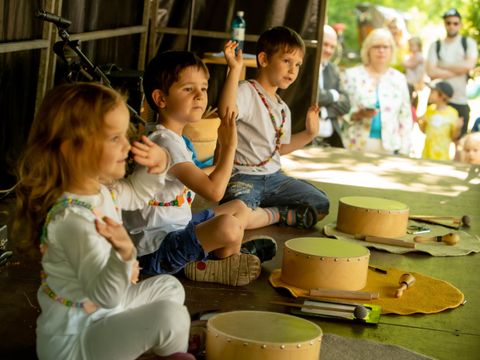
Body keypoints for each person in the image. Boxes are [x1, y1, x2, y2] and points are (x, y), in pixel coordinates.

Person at [14, 83, 194, 360]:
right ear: (73, 149)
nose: (127, 145)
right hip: (77, 342)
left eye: (125, 135)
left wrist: (158, 164)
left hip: (105, 312)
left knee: (169, 288)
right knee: (170, 318)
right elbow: (105, 295)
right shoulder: (73, 221)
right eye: (114, 138)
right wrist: (125, 253)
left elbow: (134, 194)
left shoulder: (99, 189)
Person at [123, 50, 275, 287]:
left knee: (239, 207)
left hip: (178, 228)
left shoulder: (176, 139)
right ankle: (217, 262)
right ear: (161, 99)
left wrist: (218, 164)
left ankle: (215, 259)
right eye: (188, 89)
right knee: (229, 226)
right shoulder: (165, 143)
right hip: (155, 250)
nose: (199, 96)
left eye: (203, 88)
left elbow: (193, 176)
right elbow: (214, 192)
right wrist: (229, 145)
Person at [218, 26, 329, 230]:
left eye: (297, 64)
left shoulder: (282, 108)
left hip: (275, 178)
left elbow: (279, 149)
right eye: (286, 61)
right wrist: (234, 70)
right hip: (243, 177)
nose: (293, 70)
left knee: (320, 203)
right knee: (234, 217)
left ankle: (265, 212)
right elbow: (226, 113)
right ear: (264, 59)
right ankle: (275, 213)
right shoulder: (246, 91)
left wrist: (309, 134)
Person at [341, 28, 413, 155]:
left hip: (389, 147)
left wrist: (405, 150)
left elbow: (405, 117)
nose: (381, 50)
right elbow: (340, 110)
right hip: (355, 144)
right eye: (376, 46)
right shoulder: (352, 75)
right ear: (368, 50)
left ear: (392, 51)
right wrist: (358, 114)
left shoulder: (399, 79)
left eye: (386, 47)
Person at [426, 8, 478, 138]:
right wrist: (459, 70)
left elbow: (470, 65)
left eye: (455, 23)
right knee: (434, 137)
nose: (451, 26)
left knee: (459, 140)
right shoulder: (436, 45)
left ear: (460, 24)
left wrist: (442, 66)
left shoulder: (467, 43)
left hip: (460, 99)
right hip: (437, 100)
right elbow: (431, 71)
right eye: (448, 23)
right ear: (444, 23)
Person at [314, 24, 351, 148]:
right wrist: (333, 95)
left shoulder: (333, 70)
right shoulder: (303, 67)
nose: (328, 50)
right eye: (325, 44)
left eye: (332, 47)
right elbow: (313, 98)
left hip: (330, 141)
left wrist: (323, 112)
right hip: (306, 141)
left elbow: (346, 104)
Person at [418, 81, 462, 161]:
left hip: (442, 156)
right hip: (426, 154)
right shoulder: (430, 109)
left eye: (432, 92)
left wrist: (458, 128)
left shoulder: (452, 112)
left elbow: (453, 137)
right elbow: (424, 131)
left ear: (442, 96)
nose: (429, 94)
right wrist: (420, 122)